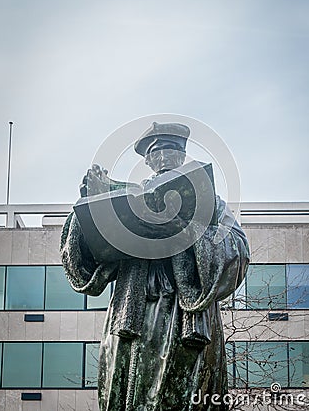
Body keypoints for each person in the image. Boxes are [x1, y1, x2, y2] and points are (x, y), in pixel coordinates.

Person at [61, 122, 250, 411]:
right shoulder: (127, 200)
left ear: (183, 157)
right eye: (157, 151)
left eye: (172, 150)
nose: (164, 157)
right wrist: (92, 203)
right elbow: (82, 260)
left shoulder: (210, 203)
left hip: (184, 315)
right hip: (133, 313)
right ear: (148, 160)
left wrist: (187, 231)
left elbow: (238, 251)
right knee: (127, 389)